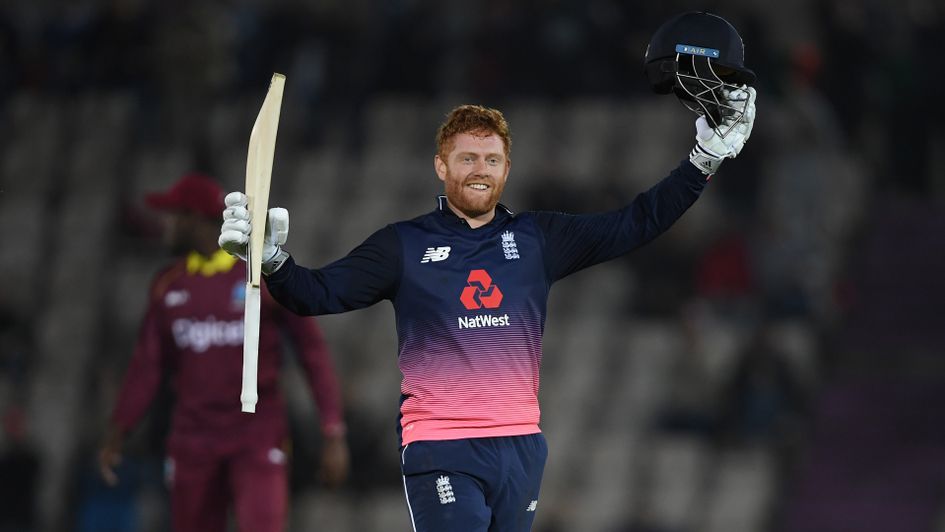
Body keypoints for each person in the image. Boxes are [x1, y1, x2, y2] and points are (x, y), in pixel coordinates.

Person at [219, 14, 757, 531]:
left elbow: (637, 222)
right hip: (440, 444)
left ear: (507, 168)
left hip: (521, 445)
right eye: (467, 158)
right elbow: (319, 294)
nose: (480, 170)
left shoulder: (538, 238)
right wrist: (272, 262)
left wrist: (702, 160)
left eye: (492, 160)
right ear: (441, 166)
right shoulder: (402, 246)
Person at [99, 172, 349, 532]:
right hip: (192, 440)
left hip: (257, 434)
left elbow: (312, 351)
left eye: (172, 215)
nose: (164, 224)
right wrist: (119, 429)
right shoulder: (168, 285)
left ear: (195, 218)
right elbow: (147, 365)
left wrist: (333, 430)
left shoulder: (261, 276)